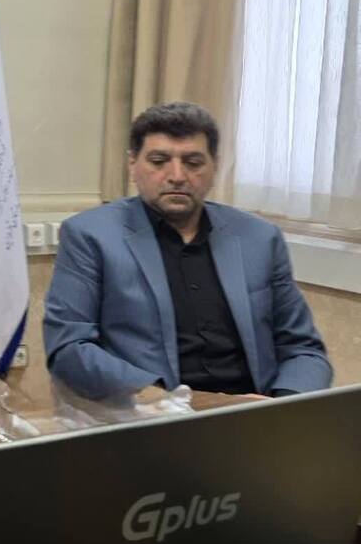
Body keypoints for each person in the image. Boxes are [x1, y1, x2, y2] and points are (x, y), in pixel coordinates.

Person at [44, 101, 331, 400]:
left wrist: (283, 406)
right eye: (159, 161)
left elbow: (303, 348)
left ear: (214, 167)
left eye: (193, 163)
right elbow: (69, 349)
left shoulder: (259, 238)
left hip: (253, 409)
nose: (177, 175)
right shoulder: (90, 235)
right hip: (151, 410)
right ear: (133, 164)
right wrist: (174, 402)